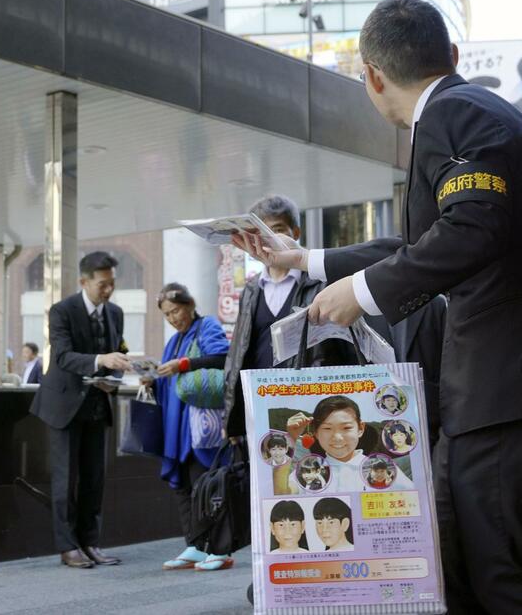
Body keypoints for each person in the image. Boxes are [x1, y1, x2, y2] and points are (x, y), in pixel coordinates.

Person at [236, 0, 522, 613]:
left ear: (370, 74)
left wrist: (364, 293)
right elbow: (424, 243)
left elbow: (473, 229)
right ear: (450, 55)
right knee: (453, 563)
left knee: (509, 578)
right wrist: (306, 262)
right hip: (501, 385)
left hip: (520, 380)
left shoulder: (458, 113)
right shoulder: (461, 113)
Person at [224, 195, 356, 442]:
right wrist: (232, 418)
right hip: (260, 402)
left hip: (308, 402)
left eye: (276, 230)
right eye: (259, 233)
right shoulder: (251, 290)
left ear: (294, 232)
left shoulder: (320, 283)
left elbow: (343, 347)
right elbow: (238, 352)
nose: (266, 241)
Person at [30, 251, 132, 570]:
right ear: (83, 282)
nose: (108, 290)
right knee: (65, 480)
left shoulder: (115, 313)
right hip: (63, 404)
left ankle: (90, 542)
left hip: (97, 403)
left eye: (112, 284)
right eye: (102, 284)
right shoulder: (62, 311)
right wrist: (100, 361)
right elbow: (62, 356)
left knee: (94, 479)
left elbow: (118, 353)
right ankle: (67, 546)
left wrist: (114, 377)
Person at [142, 283, 232, 572]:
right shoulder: (174, 340)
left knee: (206, 485)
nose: (173, 318)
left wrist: (183, 364)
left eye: (176, 310)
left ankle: (220, 549)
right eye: (167, 314)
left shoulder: (207, 326)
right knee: (182, 484)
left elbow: (222, 358)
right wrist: (151, 380)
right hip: (176, 425)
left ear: (190, 305)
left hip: (200, 426)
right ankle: (194, 545)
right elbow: (170, 381)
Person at [286, 396, 413, 492]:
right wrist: (291, 438)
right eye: (327, 429)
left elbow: (413, 497)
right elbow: (282, 493)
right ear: (316, 433)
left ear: (360, 429)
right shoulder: (308, 469)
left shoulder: (384, 467)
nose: (337, 437)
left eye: (346, 428)